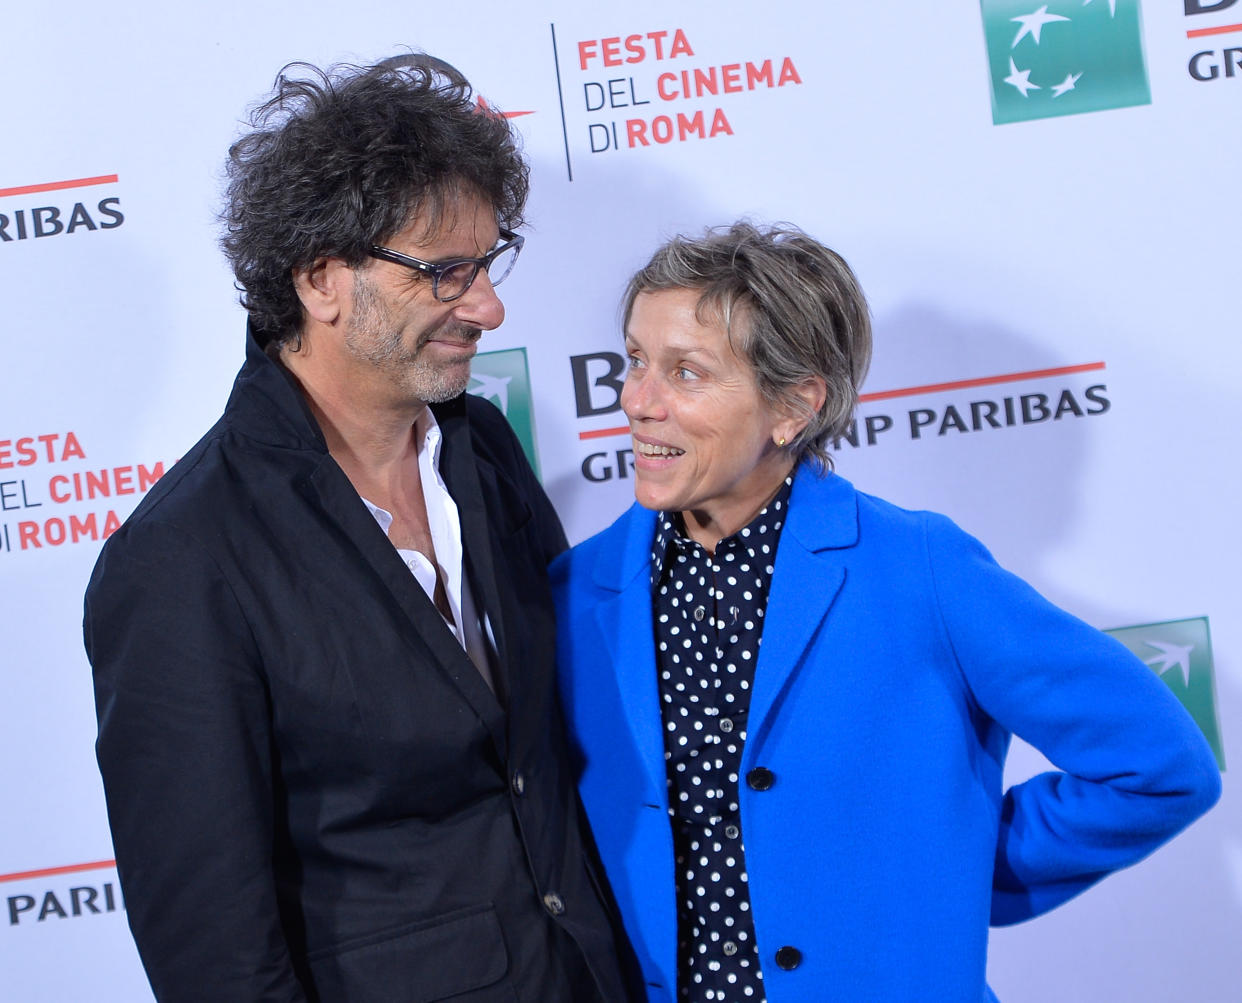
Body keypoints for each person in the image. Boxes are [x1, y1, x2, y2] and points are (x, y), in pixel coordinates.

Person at [550, 221, 1221, 1003]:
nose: (635, 400)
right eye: (634, 361)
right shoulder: (573, 592)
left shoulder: (920, 568)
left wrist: (954, 872)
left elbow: (1158, 765)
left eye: (685, 372)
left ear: (793, 407)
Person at [85, 55, 637, 1002]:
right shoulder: (183, 558)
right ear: (320, 279)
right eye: (445, 272)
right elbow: (215, 954)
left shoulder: (482, 448)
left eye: (489, 263)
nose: (490, 306)